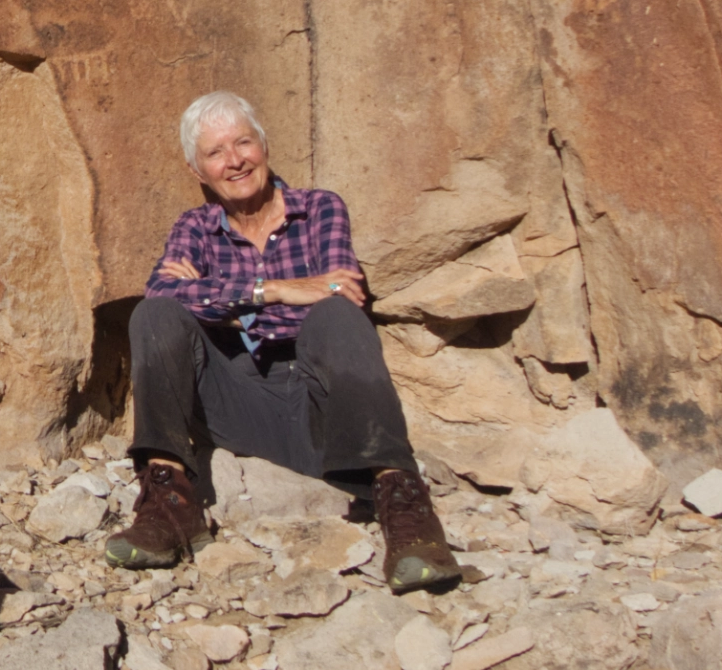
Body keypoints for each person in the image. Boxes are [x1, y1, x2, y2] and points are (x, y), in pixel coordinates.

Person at [102, 91, 460, 595]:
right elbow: (164, 292)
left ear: (264, 146)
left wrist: (224, 305)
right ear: (198, 171)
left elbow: (343, 291)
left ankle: (404, 509)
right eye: (216, 153)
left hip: (320, 410)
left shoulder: (319, 209)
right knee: (155, 315)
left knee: (335, 317)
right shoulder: (194, 228)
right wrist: (277, 291)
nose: (235, 161)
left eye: (243, 142)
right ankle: (169, 506)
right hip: (239, 404)